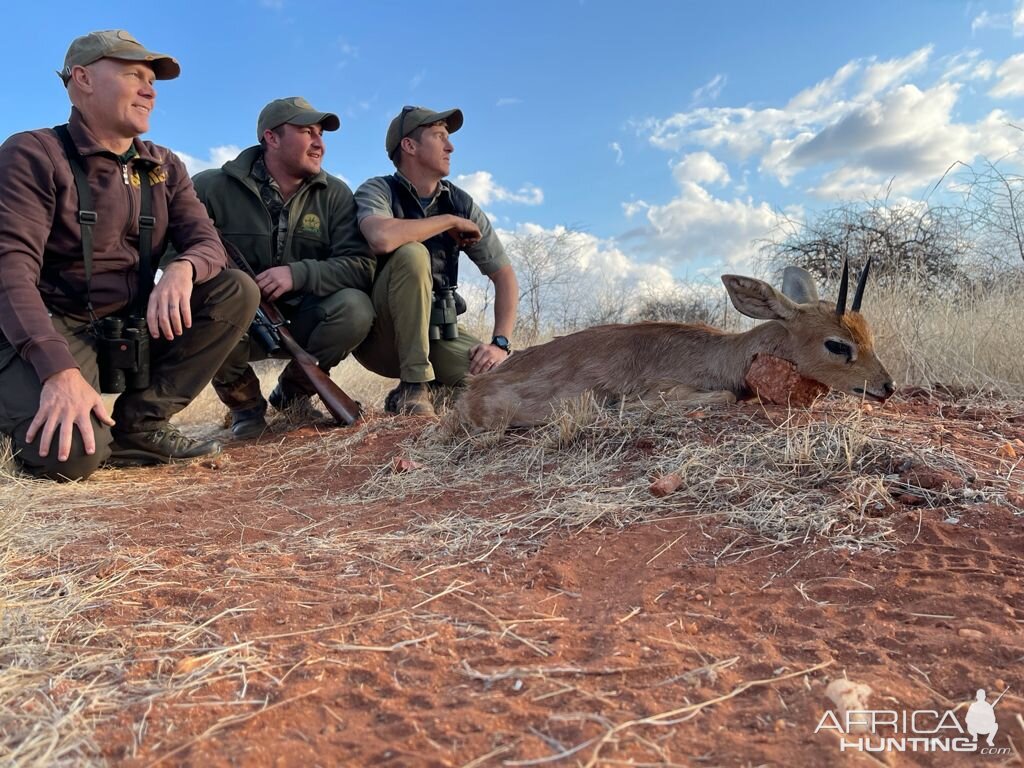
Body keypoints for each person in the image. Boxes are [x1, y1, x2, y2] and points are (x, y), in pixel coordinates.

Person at [0, 30, 259, 480]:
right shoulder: (32, 153)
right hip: (50, 326)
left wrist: (183, 267)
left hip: (127, 329)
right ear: (82, 79)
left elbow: (207, 243)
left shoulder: (165, 165)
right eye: (133, 75)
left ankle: (141, 424)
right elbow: (9, 272)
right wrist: (58, 372)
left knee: (234, 288)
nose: (149, 91)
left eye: (152, 81)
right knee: (74, 456)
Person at [189, 97, 375, 438]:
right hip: (234, 323)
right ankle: (245, 406)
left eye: (321, 133)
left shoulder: (335, 195)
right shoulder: (208, 187)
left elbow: (361, 266)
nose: (319, 143)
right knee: (200, 303)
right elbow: (175, 251)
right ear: (271, 138)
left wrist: (297, 275)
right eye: (307, 131)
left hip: (302, 321)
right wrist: (230, 286)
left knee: (356, 308)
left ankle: (293, 394)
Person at [353, 106, 518, 417]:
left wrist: (499, 343)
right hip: (381, 338)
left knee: (505, 378)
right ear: (410, 146)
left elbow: (505, 275)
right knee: (413, 253)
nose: (450, 146)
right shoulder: (378, 190)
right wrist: (447, 222)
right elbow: (381, 238)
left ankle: (434, 386)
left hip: (436, 334)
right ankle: (414, 386)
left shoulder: (460, 203)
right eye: (439, 136)